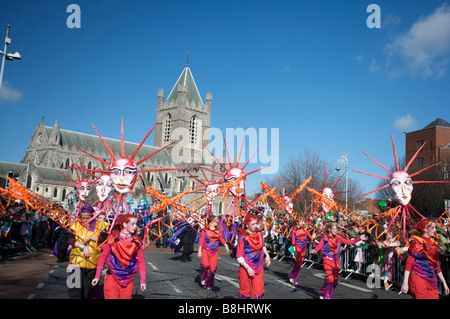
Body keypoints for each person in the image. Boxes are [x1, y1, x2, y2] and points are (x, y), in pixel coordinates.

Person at [92, 214, 146, 299]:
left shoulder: (137, 241)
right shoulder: (112, 239)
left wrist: (143, 280)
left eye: (136, 224)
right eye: (133, 224)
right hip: (112, 278)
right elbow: (103, 257)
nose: (135, 226)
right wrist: (97, 276)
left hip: (128, 279)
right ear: (124, 224)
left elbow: (141, 261)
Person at [311, 222, 366, 299]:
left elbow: (348, 242)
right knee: (330, 278)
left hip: (336, 261)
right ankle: (328, 296)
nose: (335, 230)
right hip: (327, 260)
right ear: (329, 229)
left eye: (336, 229)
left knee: (335, 281)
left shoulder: (338, 237)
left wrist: (359, 238)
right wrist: (315, 250)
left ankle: (323, 292)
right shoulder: (324, 238)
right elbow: (320, 245)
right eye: (334, 229)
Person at [401, 218, 449, 299]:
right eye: (433, 228)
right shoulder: (416, 244)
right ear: (426, 229)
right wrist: (405, 283)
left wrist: (444, 283)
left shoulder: (434, 245)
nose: (435, 230)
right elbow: (409, 263)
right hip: (418, 278)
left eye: (435, 228)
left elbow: (436, 265)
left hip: (432, 280)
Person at [67, 205, 105, 299]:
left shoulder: (101, 225)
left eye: (87, 218)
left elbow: (104, 238)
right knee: (74, 290)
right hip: (75, 263)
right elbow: (70, 239)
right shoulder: (75, 225)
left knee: (87, 292)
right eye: (83, 217)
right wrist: (83, 247)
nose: (84, 220)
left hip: (92, 263)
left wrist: (91, 237)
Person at [236, 214, 271, 299]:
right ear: (247, 225)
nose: (256, 226)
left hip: (258, 266)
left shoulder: (259, 233)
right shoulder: (243, 237)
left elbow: (262, 245)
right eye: (253, 224)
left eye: (256, 223)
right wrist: (247, 268)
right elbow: (239, 256)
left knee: (258, 291)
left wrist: (267, 255)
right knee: (245, 291)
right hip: (245, 267)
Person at [198, 216, 230, 290]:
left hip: (214, 251)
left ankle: (209, 283)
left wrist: (226, 245)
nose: (217, 221)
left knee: (212, 268)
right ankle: (203, 276)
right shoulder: (205, 230)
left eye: (217, 220)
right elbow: (202, 240)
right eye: (216, 220)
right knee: (205, 264)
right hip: (205, 250)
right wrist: (199, 251)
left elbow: (221, 238)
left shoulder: (218, 230)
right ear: (211, 221)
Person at [288, 220, 312, 285]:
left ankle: (294, 277)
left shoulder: (305, 229)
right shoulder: (294, 230)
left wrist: (318, 242)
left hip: (303, 248)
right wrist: (294, 250)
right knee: (298, 263)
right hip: (297, 248)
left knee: (300, 264)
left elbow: (311, 237)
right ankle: (292, 276)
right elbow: (293, 241)